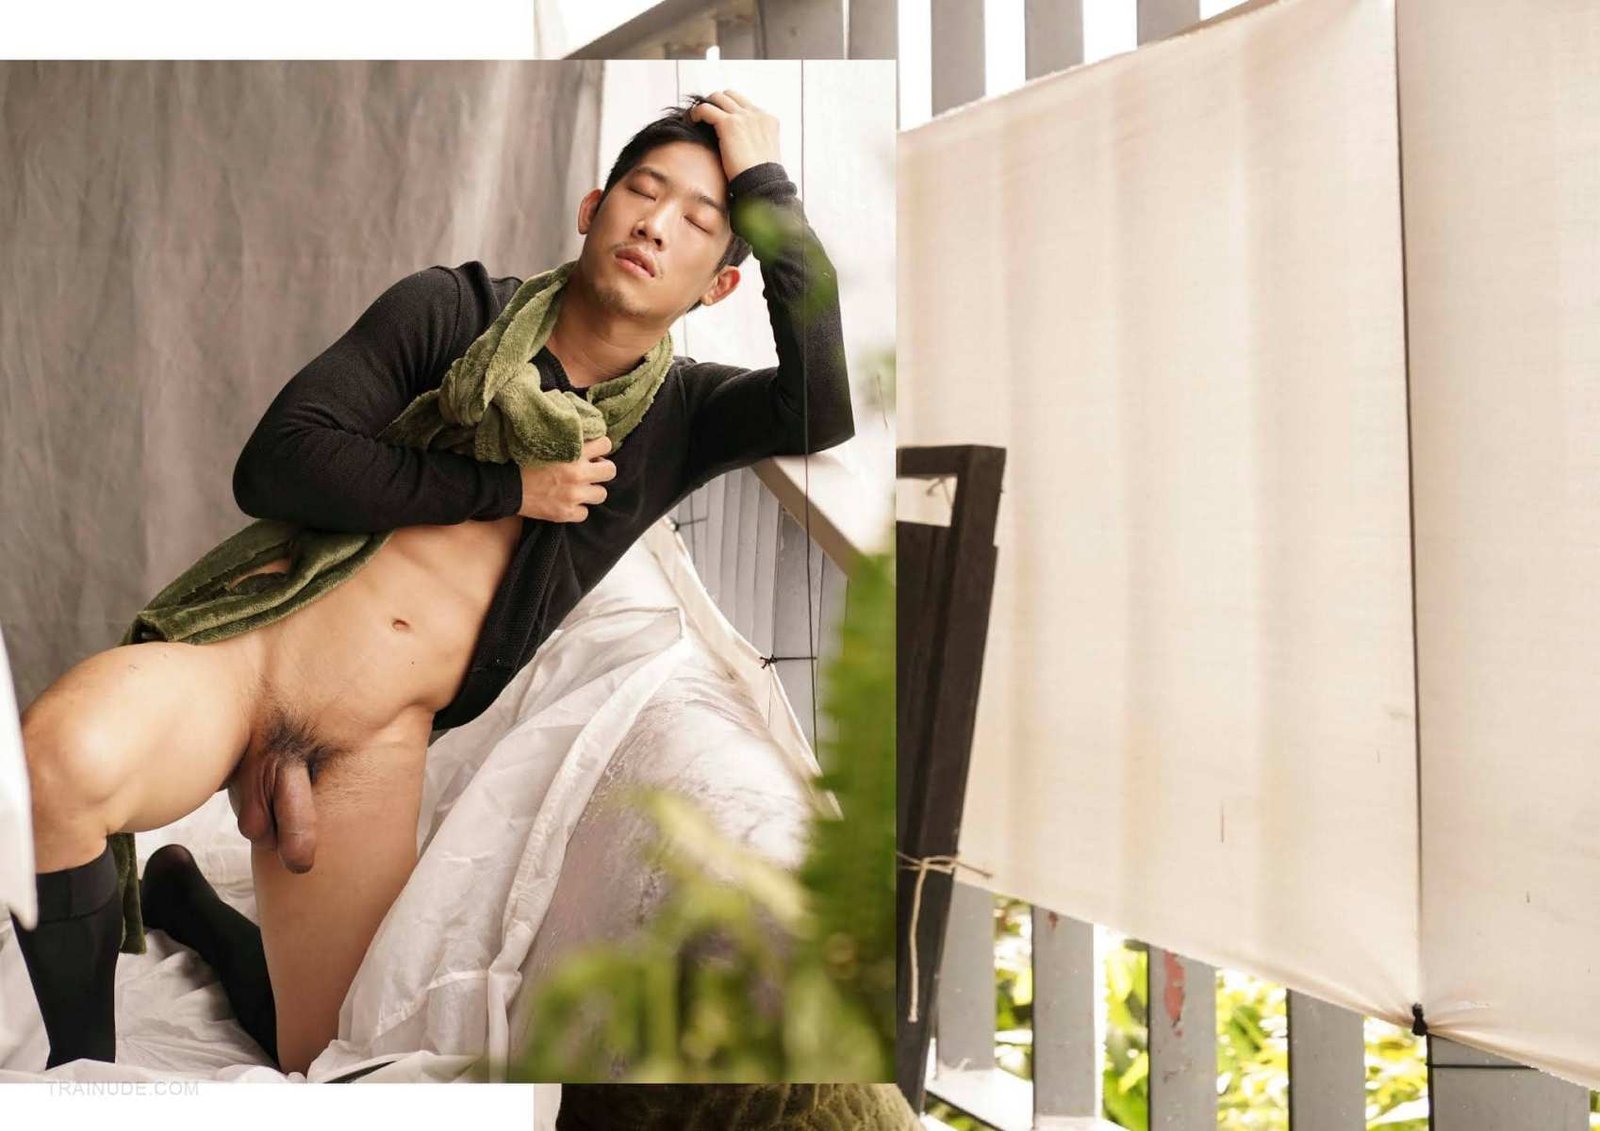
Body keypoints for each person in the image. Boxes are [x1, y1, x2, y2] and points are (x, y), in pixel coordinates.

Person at [8, 88, 852, 1076]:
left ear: (718, 285)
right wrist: (510, 489)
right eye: (643, 190)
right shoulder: (453, 311)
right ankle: (77, 1077)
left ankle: (186, 901)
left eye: (701, 221)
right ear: (593, 207)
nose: (657, 224)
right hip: (246, 659)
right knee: (55, 764)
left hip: (369, 743)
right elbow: (279, 460)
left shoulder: (680, 416)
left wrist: (767, 188)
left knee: (320, 1054)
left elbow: (822, 402)